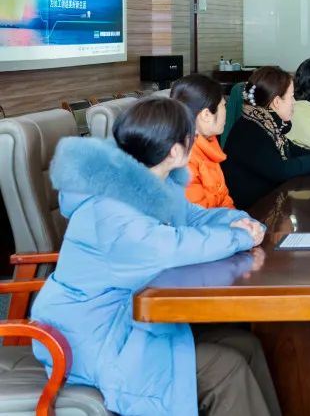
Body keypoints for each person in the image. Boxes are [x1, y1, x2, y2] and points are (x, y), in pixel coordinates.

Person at [30, 98, 281, 416]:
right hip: (94, 341)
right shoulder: (110, 206)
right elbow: (170, 246)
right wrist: (239, 237)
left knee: (247, 345)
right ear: (175, 151)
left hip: (133, 323)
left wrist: (244, 223)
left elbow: (196, 218)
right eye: (191, 136)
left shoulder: (151, 184)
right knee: (225, 368)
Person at [222, 66, 310, 209]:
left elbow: (292, 150)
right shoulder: (251, 130)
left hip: (268, 203)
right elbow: (281, 170)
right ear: (277, 102)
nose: (294, 102)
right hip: (252, 211)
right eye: (291, 97)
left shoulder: (265, 123)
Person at [170, 74, 234, 209]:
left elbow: (224, 198)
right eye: (224, 105)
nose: (226, 111)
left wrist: (239, 218)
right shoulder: (183, 161)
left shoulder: (208, 144)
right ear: (206, 115)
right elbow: (199, 216)